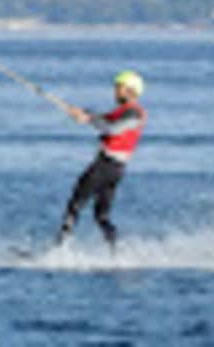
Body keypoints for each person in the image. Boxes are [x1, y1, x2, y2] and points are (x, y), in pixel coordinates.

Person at [57, 70, 147, 249]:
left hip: (106, 166)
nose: (115, 91)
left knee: (75, 204)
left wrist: (88, 119)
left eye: (119, 87)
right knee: (101, 216)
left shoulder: (134, 114)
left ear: (130, 90)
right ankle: (115, 252)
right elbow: (103, 118)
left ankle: (60, 248)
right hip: (115, 169)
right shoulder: (122, 112)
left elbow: (112, 129)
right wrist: (82, 113)